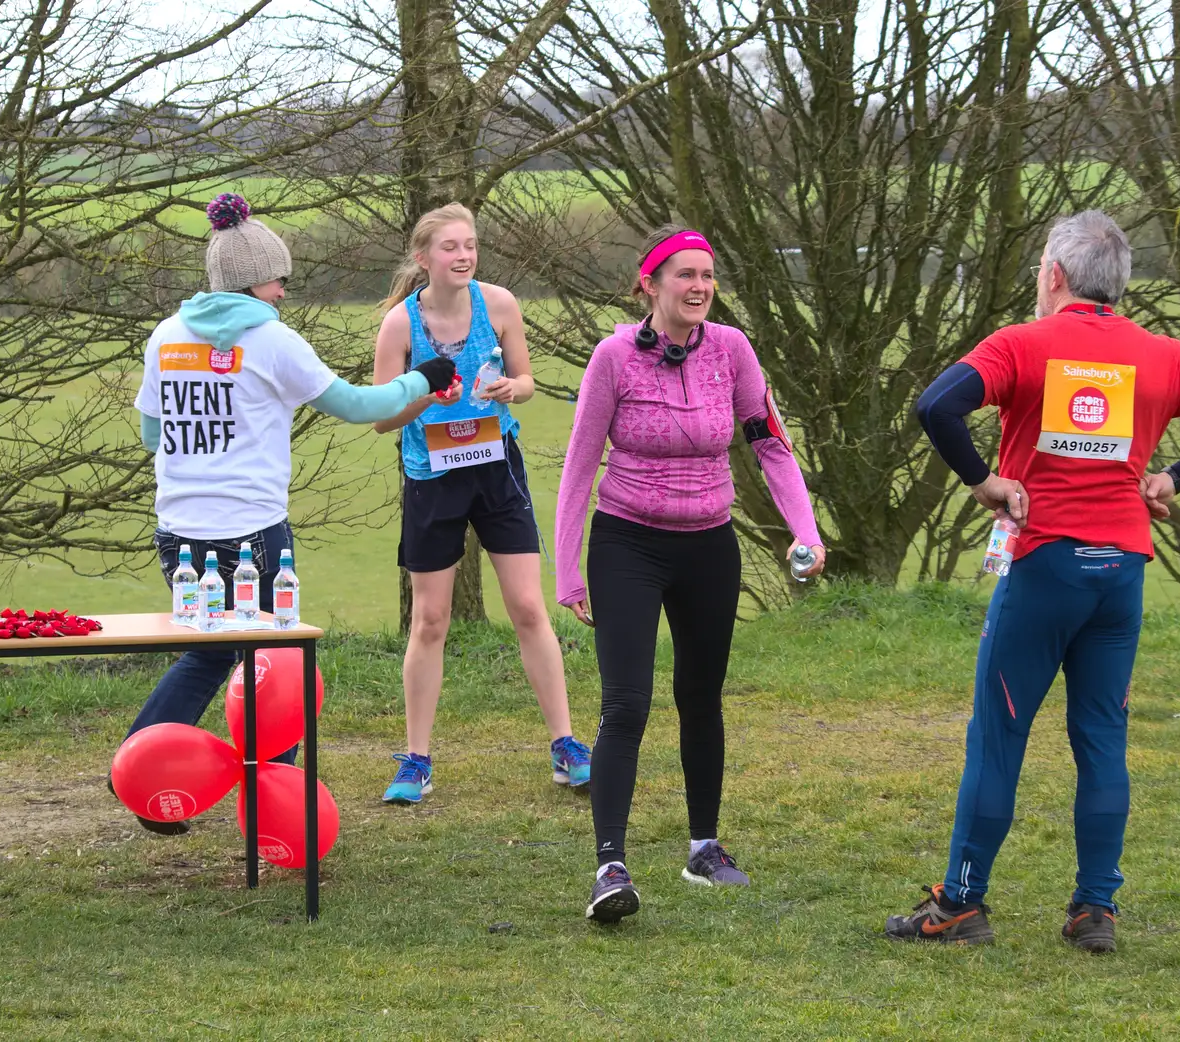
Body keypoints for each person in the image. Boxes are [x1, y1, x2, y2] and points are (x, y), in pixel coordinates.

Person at [888, 210, 1180, 951]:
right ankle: (1095, 910)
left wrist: (984, 481)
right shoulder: (1164, 356)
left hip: (1043, 567)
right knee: (1102, 737)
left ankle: (960, 905)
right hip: (1120, 574)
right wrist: (1172, 478)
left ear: (1053, 276)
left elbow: (936, 405)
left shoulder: (1021, 344)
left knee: (999, 735)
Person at [121, 192, 457, 834]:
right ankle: (275, 804)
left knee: (209, 654)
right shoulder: (273, 341)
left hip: (178, 529)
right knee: (275, 663)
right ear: (255, 281)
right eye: (281, 279)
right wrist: (425, 378)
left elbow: (149, 434)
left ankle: (144, 773)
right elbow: (359, 407)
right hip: (251, 533)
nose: (284, 291)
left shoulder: (165, 335)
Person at [556, 225, 826, 924]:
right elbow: (581, 466)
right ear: (650, 284)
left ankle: (703, 846)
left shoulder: (733, 350)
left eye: (707, 274)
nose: (700, 286)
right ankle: (610, 866)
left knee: (701, 698)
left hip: (709, 545)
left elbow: (768, 442)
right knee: (627, 706)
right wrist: (567, 569)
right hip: (628, 546)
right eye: (684, 274)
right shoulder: (614, 358)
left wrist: (806, 529)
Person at [371, 203, 591, 805]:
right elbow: (381, 418)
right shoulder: (399, 326)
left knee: (526, 605)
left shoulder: (500, 304)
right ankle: (416, 760)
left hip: (496, 467)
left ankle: (567, 745)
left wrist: (507, 388)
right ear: (424, 259)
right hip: (432, 475)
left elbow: (526, 381)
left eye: (470, 245)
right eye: (450, 247)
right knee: (431, 619)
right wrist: (424, 393)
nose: (464, 255)